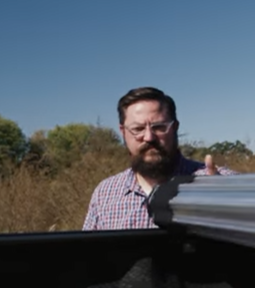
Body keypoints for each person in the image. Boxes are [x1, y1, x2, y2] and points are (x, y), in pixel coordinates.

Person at [82, 87, 236, 231]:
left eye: (159, 127)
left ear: (175, 127)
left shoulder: (221, 183)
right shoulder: (105, 194)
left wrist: (224, 207)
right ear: (123, 132)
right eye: (137, 129)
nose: (149, 137)